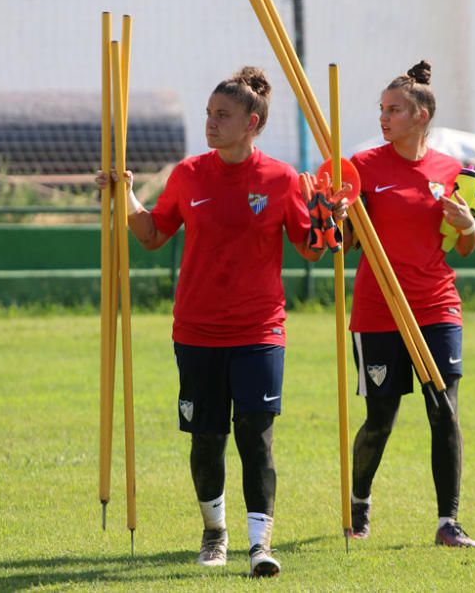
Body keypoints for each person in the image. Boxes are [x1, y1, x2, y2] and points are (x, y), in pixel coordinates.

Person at [98, 66, 343, 577]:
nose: (211, 123)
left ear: (251, 122)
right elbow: (152, 234)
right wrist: (124, 195)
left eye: (222, 115)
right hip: (197, 330)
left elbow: (313, 250)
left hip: (260, 331)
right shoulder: (188, 173)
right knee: (207, 438)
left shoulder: (280, 179)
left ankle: (260, 545)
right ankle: (215, 531)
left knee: (256, 434)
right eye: (209, 114)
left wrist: (329, 221)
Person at [346, 60, 475, 548]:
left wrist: (468, 225)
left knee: (443, 410)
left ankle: (449, 522)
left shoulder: (454, 172)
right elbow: (344, 245)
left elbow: (461, 246)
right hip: (378, 310)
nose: (384, 118)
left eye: (395, 110)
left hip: (436, 306)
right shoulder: (360, 168)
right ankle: (358, 502)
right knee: (381, 418)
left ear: (422, 115)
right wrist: (337, 213)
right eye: (382, 110)